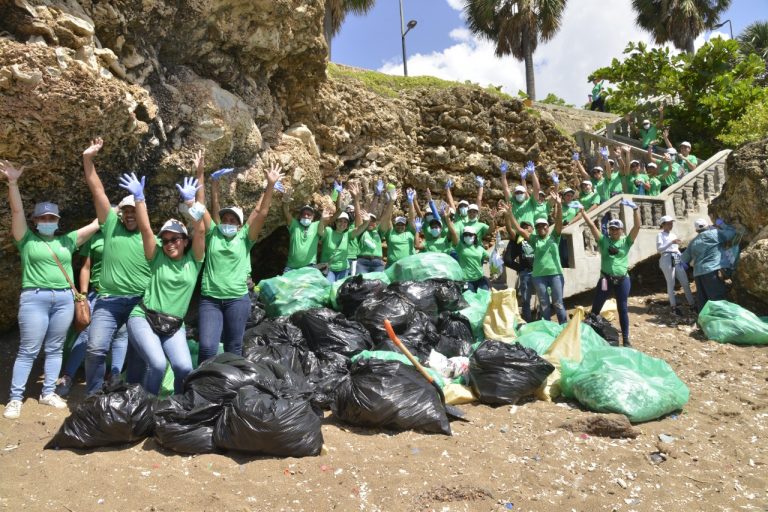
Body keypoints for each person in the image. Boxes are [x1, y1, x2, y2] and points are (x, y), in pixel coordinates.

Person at [2, 160, 99, 419]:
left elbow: (99, 221)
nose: (47, 220)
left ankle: (47, 392)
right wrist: (13, 182)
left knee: (55, 348)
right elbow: (16, 212)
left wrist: (114, 204)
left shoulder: (68, 240)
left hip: (65, 300)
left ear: (57, 221)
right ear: (36, 221)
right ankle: (15, 397)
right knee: (28, 349)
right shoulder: (27, 240)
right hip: (35, 298)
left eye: (51, 218)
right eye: (43, 217)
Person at [120, 172, 206, 395]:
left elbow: (202, 230)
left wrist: (191, 203)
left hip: (173, 324)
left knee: (184, 368)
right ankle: (146, 408)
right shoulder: (157, 257)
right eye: (165, 240)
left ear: (184, 241)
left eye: (175, 239)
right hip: (144, 318)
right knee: (157, 365)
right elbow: (146, 229)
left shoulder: (194, 261)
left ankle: (176, 409)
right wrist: (139, 198)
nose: (169, 244)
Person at [82, 138, 152, 397]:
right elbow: (97, 190)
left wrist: (140, 199)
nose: (131, 215)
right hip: (109, 301)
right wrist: (88, 159)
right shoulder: (110, 224)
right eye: (127, 211)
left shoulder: (148, 236)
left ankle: (130, 395)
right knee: (95, 349)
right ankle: (93, 395)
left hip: (139, 303)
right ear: (120, 213)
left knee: (138, 352)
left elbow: (147, 225)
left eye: (135, 210)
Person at [196, 153, 282, 363]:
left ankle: (230, 387)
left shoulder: (245, 237)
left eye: (233, 220)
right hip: (210, 300)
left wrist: (270, 185)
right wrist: (199, 174)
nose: (228, 221)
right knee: (207, 347)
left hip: (237, 300)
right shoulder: (213, 233)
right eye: (225, 218)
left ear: (240, 224)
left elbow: (260, 213)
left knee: (234, 346)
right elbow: (200, 207)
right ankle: (200, 388)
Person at [55, 227, 129, 396]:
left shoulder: (128, 237)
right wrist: (83, 295)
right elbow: (86, 267)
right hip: (98, 293)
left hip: (124, 293)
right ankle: (68, 376)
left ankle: (114, 377)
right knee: (86, 335)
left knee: (121, 335)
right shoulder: (94, 239)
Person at [579, 201, 642, 347]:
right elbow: (592, 226)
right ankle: (588, 334)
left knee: (623, 308)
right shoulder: (603, 241)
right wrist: (583, 213)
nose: (613, 232)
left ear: (621, 230)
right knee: (596, 307)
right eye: (611, 229)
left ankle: (626, 339)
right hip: (606, 279)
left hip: (622, 279)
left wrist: (635, 209)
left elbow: (637, 227)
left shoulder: (626, 242)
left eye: (616, 229)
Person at [503, 191, 567, 324]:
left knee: (558, 304)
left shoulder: (555, 236)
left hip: (555, 274)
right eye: (538, 226)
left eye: (543, 225)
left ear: (548, 227)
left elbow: (559, 222)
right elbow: (519, 230)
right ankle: (547, 329)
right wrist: (509, 215)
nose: (541, 228)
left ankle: (564, 329)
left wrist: (559, 206)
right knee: (544, 305)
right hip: (538, 276)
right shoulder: (533, 239)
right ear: (536, 229)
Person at [681, 218, 736, 310]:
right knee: (717, 297)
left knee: (703, 300)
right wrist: (721, 224)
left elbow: (683, 260)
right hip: (712, 271)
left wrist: (685, 266)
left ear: (696, 230)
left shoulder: (693, 242)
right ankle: (720, 320)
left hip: (698, 274)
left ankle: (704, 321)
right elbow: (731, 232)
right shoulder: (715, 233)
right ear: (708, 226)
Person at [319, 182, 370, 282]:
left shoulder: (348, 233)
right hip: (329, 268)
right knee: (330, 287)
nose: (342, 223)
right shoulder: (329, 231)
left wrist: (367, 222)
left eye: (345, 222)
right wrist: (338, 194)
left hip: (345, 266)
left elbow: (359, 228)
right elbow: (322, 228)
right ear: (336, 222)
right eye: (340, 221)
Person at [281, 191, 332, 273]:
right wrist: (286, 202)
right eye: (304, 214)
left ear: (313, 217)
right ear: (300, 216)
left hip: (309, 268)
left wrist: (323, 218)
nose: (306, 216)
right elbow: (286, 213)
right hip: (291, 268)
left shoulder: (316, 225)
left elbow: (330, 221)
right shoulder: (294, 225)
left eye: (309, 214)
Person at [656, 215, 695, 316]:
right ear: (663, 224)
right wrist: (671, 242)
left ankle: (692, 305)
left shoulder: (673, 235)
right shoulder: (660, 235)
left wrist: (682, 259)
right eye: (668, 223)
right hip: (666, 257)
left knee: (685, 281)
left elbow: (676, 248)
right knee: (671, 282)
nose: (670, 225)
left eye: (671, 223)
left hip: (676, 256)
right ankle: (673, 307)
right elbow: (660, 249)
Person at [502, 216, 535, 322]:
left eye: (527, 227)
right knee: (525, 299)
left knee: (544, 298)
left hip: (539, 272)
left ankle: (543, 320)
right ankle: (528, 321)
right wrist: (507, 216)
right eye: (523, 227)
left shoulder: (536, 238)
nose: (525, 229)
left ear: (532, 229)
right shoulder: (520, 239)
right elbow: (509, 230)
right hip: (525, 272)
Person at [444, 216, 489, 292]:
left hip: (480, 278)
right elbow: (453, 233)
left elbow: (490, 258)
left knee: (485, 296)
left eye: (470, 235)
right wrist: (447, 219)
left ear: (474, 236)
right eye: (466, 235)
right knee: (469, 299)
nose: (468, 236)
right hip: (466, 281)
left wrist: (497, 260)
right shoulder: (460, 247)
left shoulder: (479, 248)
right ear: (463, 237)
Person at [379, 188, 416, 268]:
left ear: (405, 226)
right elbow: (387, 219)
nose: (400, 226)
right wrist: (390, 202)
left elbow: (412, 218)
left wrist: (411, 202)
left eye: (402, 224)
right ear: (394, 225)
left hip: (407, 266)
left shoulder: (409, 232)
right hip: (392, 267)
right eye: (398, 224)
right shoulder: (391, 233)